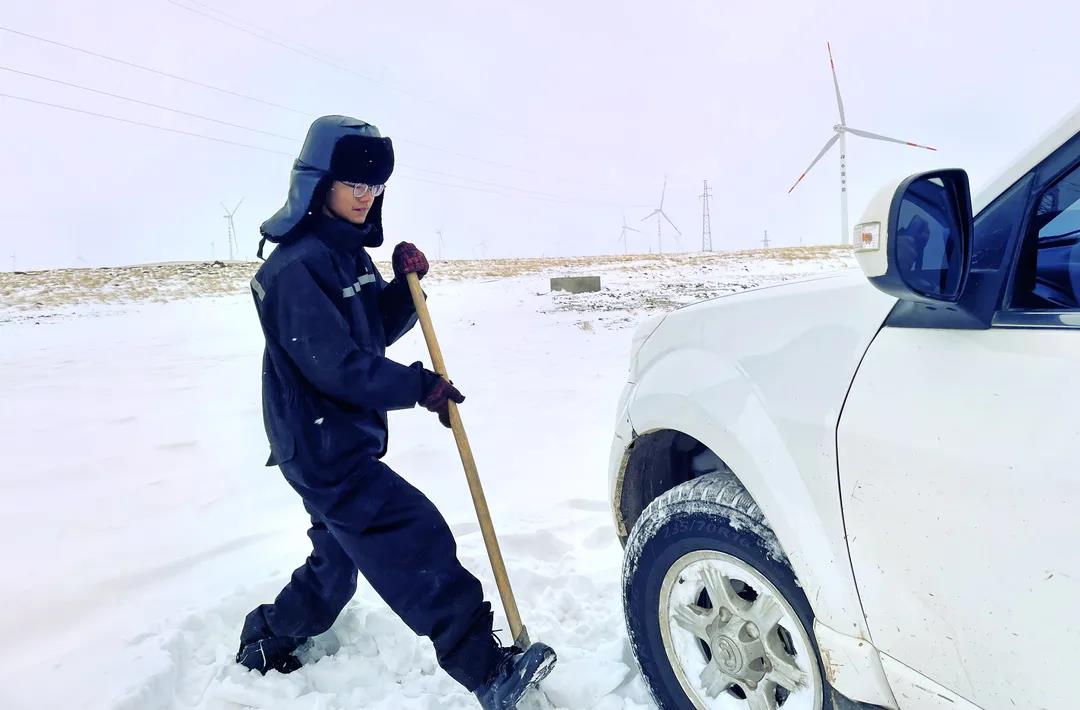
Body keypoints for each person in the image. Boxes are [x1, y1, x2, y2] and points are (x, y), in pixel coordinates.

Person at [237, 115, 555, 708]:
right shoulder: (293, 270)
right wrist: (418, 387)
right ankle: (486, 669)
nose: (367, 195)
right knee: (411, 535)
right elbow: (336, 365)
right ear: (318, 181)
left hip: (333, 440)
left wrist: (404, 288)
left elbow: (368, 334)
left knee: (336, 565)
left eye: (376, 184)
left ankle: (267, 637)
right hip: (322, 448)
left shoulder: (347, 255)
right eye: (355, 182)